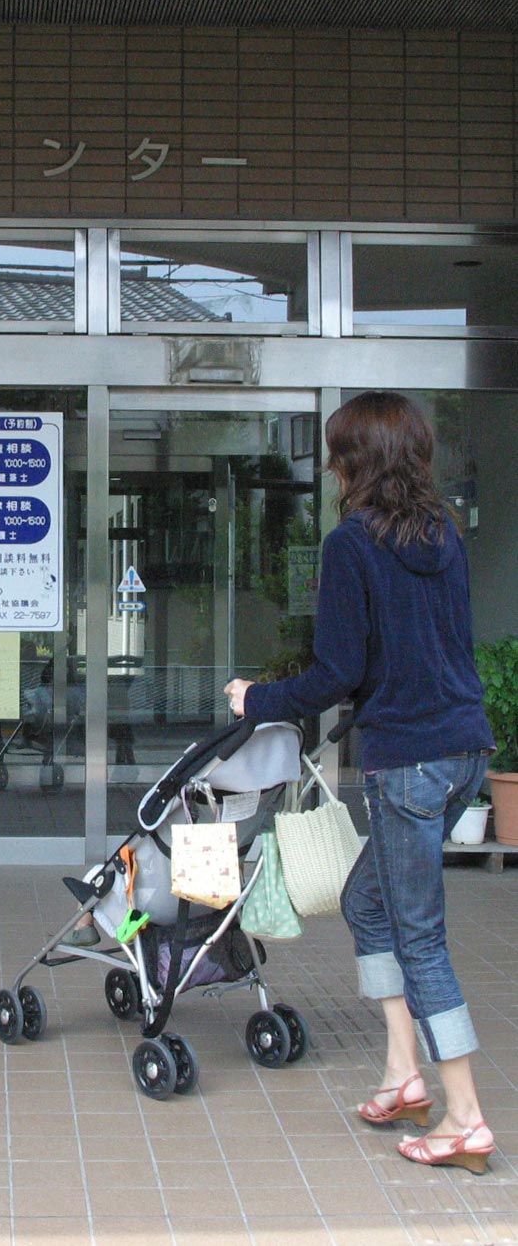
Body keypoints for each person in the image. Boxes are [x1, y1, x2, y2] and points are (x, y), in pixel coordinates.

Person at [225, 391, 496, 1174]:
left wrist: (256, 698)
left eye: (337, 454)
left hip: (408, 759)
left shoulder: (351, 544)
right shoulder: (444, 534)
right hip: (464, 748)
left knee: (419, 936)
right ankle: (403, 1074)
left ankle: (465, 1118)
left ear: (355, 462)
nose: (331, 467)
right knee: (366, 903)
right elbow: (439, 648)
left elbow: (338, 672)